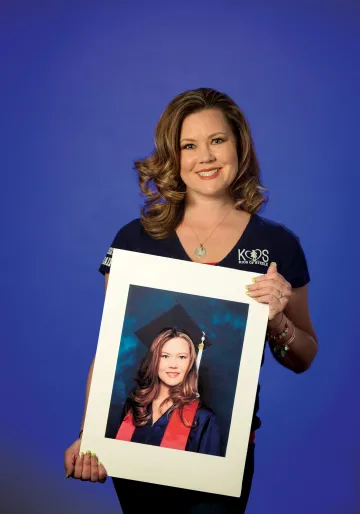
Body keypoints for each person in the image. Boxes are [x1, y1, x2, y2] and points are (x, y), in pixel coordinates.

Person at [64, 87, 318, 513]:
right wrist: (90, 436)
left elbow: (303, 355)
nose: (206, 156)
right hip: (140, 444)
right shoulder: (134, 240)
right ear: (173, 156)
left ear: (239, 147)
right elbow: (107, 351)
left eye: (217, 140)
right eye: (189, 145)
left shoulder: (277, 245)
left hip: (220, 450)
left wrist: (277, 322)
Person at [113, 316, 221, 456]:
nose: (173, 364)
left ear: (190, 363)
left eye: (182, 357)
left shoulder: (202, 418)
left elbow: (208, 475)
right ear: (154, 360)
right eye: (165, 356)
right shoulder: (134, 406)